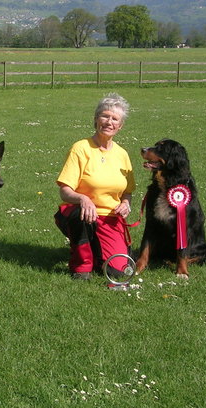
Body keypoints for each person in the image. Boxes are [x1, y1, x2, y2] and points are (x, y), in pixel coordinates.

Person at [54, 93, 135, 279]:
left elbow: (127, 192)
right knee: (82, 216)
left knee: (118, 271)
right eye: (104, 116)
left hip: (110, 217)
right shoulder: (80, 148)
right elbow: (64, 191)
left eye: (115, 119)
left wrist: (126, 204)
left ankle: (97, 252)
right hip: (81, 213)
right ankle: (81, 267)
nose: (109, 122)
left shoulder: (122, 154)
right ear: (96, 119)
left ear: (120, 126)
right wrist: (83, 199)